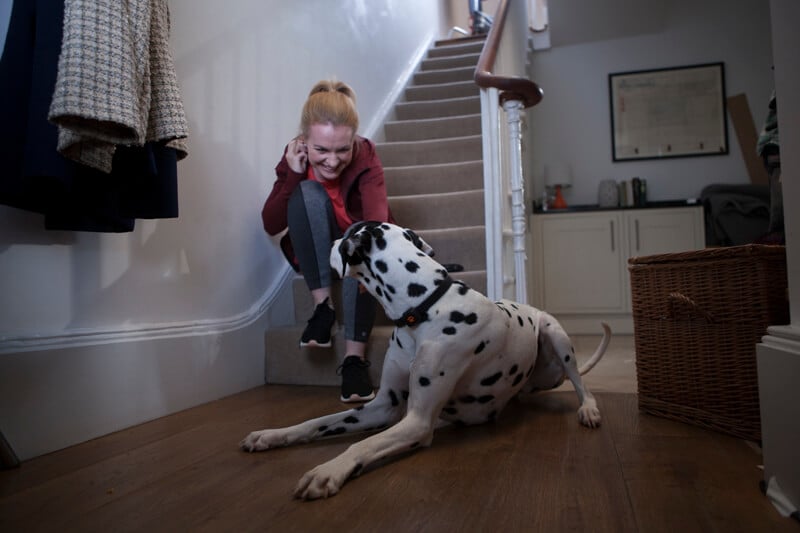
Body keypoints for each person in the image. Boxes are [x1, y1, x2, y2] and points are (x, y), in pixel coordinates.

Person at [261, 80, 393, 403]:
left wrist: (362, 250)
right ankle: (323, 308)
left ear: (354, 142)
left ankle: (354, 360)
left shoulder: (366, 156)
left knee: (360, 234)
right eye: (321, 150)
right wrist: (293, 175)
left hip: (356, 256)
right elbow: (271, 223)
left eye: (342, 150)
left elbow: (377, 223)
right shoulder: (294, 157)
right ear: (304, 141)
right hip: (317, 256)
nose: (332, 162)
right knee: (306, 192)